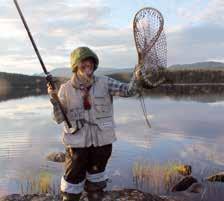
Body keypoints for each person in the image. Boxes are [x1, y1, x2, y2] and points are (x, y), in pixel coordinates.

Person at [48, 46, 140, 201]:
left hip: (102, 145)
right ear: (75, 66)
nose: (87, 65)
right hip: (76, 146)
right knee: (71, 188)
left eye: (90, 62)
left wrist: (138, 77)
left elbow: (129, 91)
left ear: (94, 64)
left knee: (96, 185)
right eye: (83, 62)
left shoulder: (105, 82)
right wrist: (54, 100)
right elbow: (58, 118)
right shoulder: (65, 89)